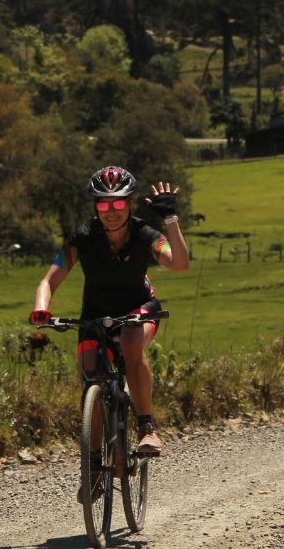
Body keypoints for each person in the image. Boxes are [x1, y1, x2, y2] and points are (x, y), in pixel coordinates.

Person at [29, 166, 189, 462]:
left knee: (130, 342)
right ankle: (92, 464)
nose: (111, 210)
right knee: (91, 374)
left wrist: (170, 219)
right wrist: (41, 308)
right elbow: (49, 280)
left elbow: (179, 263)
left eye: (118, 203)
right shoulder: (84, 237)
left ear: (130, 203)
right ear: (95, 205)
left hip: (139, 308)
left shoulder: (145, 235)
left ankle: (146, 427)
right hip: (96, 312)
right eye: (103, 203)